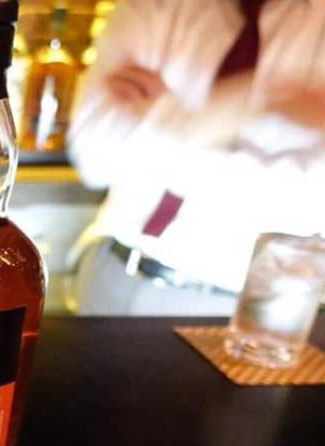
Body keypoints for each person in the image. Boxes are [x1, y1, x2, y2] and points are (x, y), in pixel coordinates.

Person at [67, 0, 325, 315]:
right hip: (117, 275)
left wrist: (165, 117)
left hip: (244, 309)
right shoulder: (154, 7)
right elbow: (95, 155)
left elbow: (307, 207)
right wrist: (255, 103)